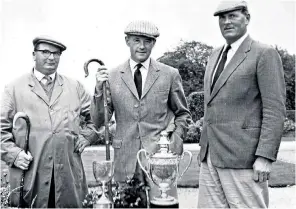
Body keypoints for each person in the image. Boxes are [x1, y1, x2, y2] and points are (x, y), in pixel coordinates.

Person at [91, 20, 191, 207]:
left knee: (163, 205)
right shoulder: (111, 76)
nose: (142, 46)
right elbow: (98, 121)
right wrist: (98, 90)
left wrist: (173, 145)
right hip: (124, 160)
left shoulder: (169, 74)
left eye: (148, 41)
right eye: (137, 40)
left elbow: (183, 114)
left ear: (154, 43)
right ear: (127, 41)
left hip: (160, 163)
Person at [198, 1, 286, 208]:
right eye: (222, 17)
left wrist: (265, 156)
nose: (226, 22)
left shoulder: (264, 53)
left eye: (233, 16)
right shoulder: (214, 55)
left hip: (244, 159)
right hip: (209, 157)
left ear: (247, 18)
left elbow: (275, 110)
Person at [1, 36, 97, 208]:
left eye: (56, 53)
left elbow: (96, 119)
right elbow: (2, 130)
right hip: (31, 176)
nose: (51, 57)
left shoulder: (75, 87)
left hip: (69, 177)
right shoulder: (14, 88)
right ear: (33, 54)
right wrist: (14, 155)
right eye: (45, 52)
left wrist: (87, 136)